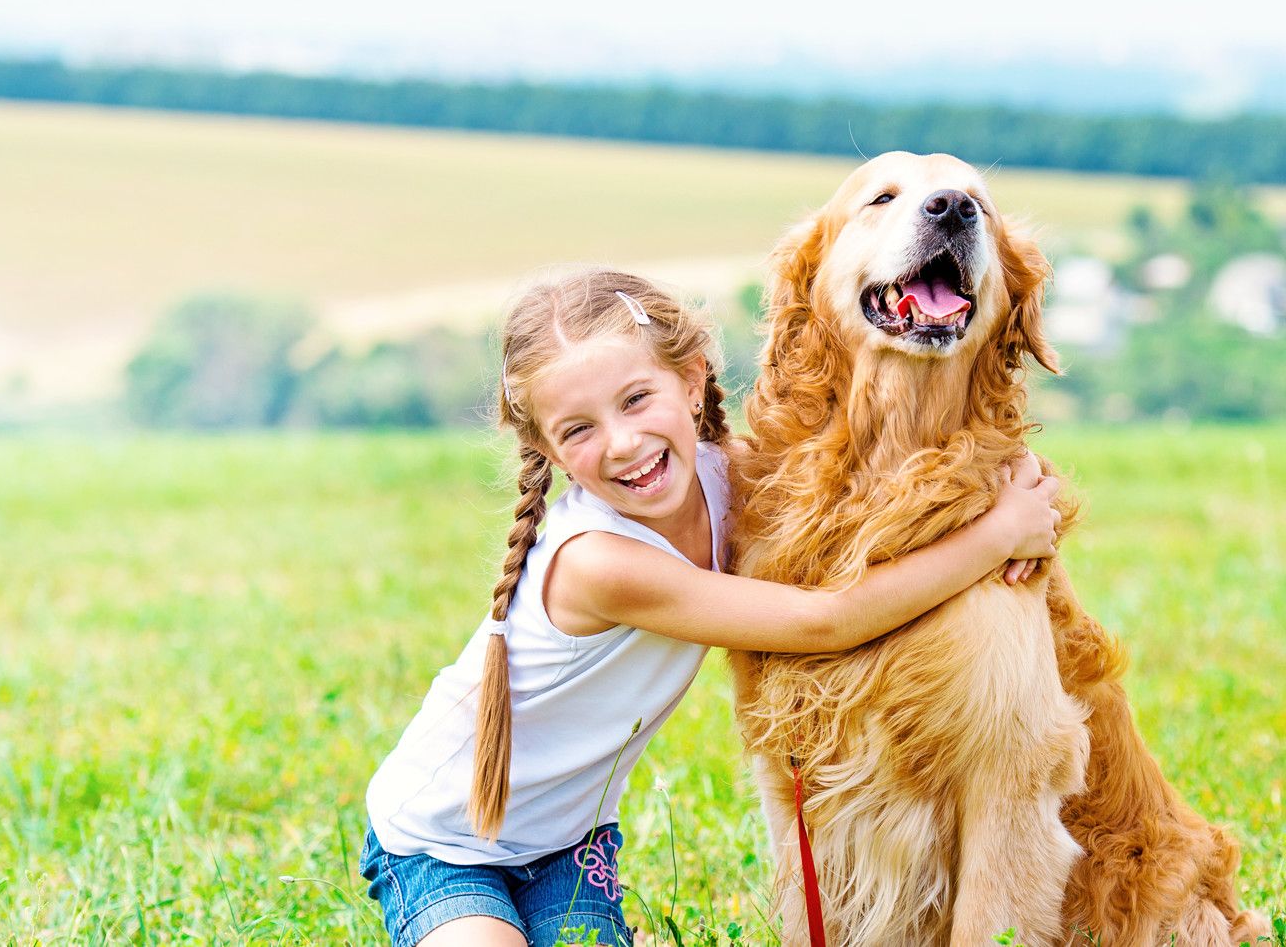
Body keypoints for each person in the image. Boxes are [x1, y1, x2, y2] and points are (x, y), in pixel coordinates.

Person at [361, 268, 1062, 947]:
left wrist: (1011, 479)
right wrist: (996, 535)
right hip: (442, 840)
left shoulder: (729, 476)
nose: (624, 442)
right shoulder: (598, 562)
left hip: (567, 845)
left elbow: (865, 495)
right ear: (548, 449)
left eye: (636, 399)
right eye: (578, 430)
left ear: (692, 381)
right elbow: (827, 619)